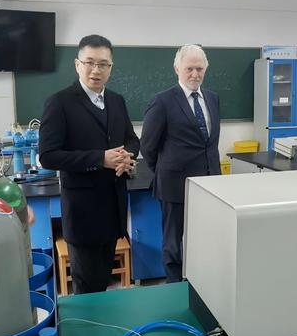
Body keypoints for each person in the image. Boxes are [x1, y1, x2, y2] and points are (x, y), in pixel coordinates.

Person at [39, 34, 139, 294]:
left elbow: (131, 138)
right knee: (87, 287)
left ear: (111, 68)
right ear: (77, 65)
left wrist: (127, 156)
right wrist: (100, 158)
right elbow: (48, 155)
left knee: (103, 281)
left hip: (113, 208)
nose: (96, 70)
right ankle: (87, 321)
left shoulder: (116, 100)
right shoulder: (59, 102)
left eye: (103, 64)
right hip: (83, 213)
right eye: (90, 62)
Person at [140, 44, 221, 283]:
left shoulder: (213, 99)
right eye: (189, 69)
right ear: (177, 69)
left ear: (206, 69)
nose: (195, 74)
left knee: (205, 238)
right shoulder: (162, 101)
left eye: (199, 68)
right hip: (174, 185)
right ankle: (174, 285)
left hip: (209, 185)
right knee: (173, 242)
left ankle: (202, 282)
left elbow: (209, 143)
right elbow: (148, 146)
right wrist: (164, 171)